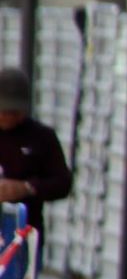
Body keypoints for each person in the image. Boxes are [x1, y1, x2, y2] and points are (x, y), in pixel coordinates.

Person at [0, 67, 73, 253]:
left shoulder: (41, 137)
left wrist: (27, 187)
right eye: (3, 110)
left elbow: (62, 183)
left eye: (14, 110)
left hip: (23, 234)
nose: (7, 116)